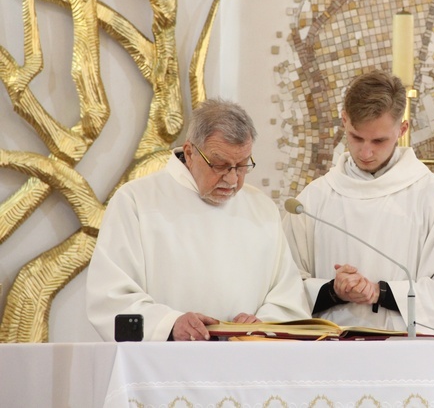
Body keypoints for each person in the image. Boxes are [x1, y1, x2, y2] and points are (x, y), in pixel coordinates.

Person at [86, 98, 310, 341]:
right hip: (167, 365)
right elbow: (111, 295)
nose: (232, 179)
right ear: (190, 152)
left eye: (242, 165)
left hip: (245, 364)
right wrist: (170, 324)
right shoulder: (136, 202)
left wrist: (263, 324)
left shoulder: (262, 209)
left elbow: (287, 294)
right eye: (220, 165)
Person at [283, 71, 434, 340]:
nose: (366, 153)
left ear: (402, 130)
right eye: (356, 137)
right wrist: (332, 290)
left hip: (402, 359)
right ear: (344, 121)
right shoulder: (313, 200)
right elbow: (282, 283)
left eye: (378, 141)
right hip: (328, 356)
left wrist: (382, 293)